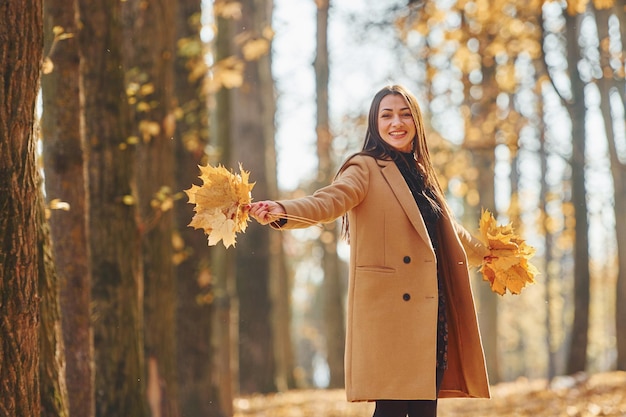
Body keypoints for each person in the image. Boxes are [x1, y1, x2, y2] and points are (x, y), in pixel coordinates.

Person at [248, 84, 490, 417]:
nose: (397, 122)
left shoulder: (422, 175)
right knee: (390, 409)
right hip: (390, 310)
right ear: (374, 123)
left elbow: (450, 231)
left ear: (417, 122)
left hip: (429, 310)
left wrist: (491, 254)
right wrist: (281, 209)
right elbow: (328, 201)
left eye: (405, 114)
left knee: (423, 410)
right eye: (386, 115)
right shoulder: (364, 167)